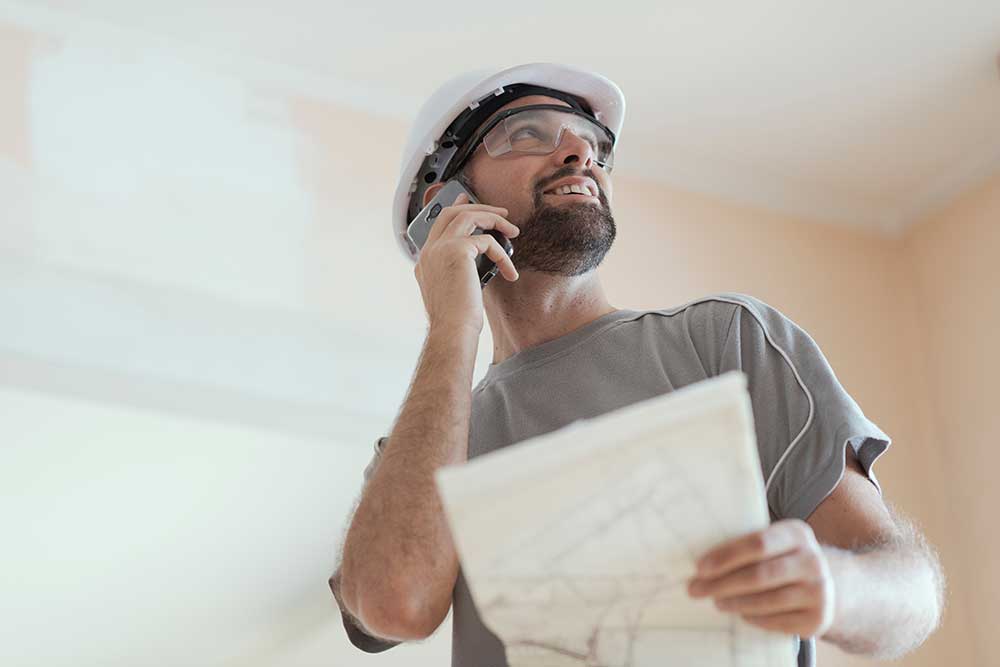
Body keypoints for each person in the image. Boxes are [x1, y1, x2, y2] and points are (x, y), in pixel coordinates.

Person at [329, 63, 943, 667]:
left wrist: (834, 587)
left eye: (594, 143)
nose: (580, 152)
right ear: (444, 206)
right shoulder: (425, 448)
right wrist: (451, 326)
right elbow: (394, 605)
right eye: (527, 132)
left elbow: (909, 594)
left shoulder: (725, 340)